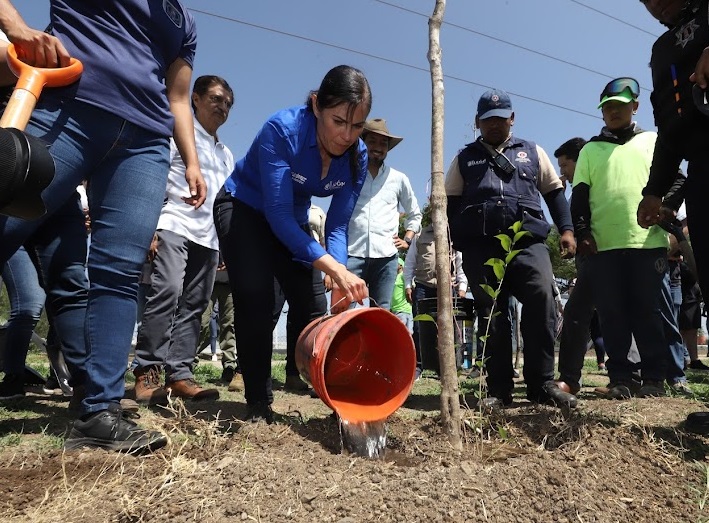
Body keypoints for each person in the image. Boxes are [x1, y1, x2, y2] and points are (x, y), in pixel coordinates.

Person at [0, 0, 205, 453]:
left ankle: (99, 413)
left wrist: (191, 160)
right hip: (67, 110)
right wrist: (15, 26)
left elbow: (177, 97)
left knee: (119, 270)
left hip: (146, 143)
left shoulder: (183, 22)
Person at [214, 65, 371, 423]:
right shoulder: (282, 130)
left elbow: (337, 223)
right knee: (256, 296)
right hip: (243, 208)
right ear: (316, 105)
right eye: (338, 122)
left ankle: (338, 399)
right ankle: (258, 402)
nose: (347, 135)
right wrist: (330, 264)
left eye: (357, 125)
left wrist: (339, 270)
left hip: (292, 218)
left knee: (313, 303)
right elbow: (278, 216)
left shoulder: (357, 157)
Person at [446, 88, 578, 409]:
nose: (495, 125)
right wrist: (454, 244)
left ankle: (541, 383)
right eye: (488, 120)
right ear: (477, 122)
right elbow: (449, 204)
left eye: (501, 119)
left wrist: (567, 229)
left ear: (512, 119)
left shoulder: (533, 152)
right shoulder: (464, 159)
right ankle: (499, 389)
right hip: (481, 248)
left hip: (527, 242)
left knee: (543, 299)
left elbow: (554, 193)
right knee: (493, 314)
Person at [571, 77, 684, 399]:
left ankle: (653, 378)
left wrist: (668, 206)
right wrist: (583, 232)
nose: (613, 112)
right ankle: (621, 377)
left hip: (647, 244)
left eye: (620, 106)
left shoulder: (653, 141)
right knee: (612, 313)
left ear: (634, 106)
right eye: (608, 108)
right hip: (603, 246)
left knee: (649, 313)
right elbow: (579, 198)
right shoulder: (591, 150)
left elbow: (678, 180)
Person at [132, 75, 234, 405]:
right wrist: (147, 229)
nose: (223, 107)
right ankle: (147, 371)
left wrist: (224, 243)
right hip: (173, 223)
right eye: (217, 99)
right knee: (167, 291)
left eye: (228, 104)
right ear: (196, 99)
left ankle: (180, 375)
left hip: (209, 238)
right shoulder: (177, 136)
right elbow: (153, 181)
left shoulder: (225, 154)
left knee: (195, 305)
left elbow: (222, 202)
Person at [637, 0, 709, 303]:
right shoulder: (662, 49)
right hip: (702, 169)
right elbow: (669, 126)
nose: (655, 3)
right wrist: (654, 190)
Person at [552, 137, 610, 394]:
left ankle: (629, 376)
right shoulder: (576, 190)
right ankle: (570, 379)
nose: (562, 172)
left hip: (606, 255)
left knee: (614, 314)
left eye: (565, 165)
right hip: (588, 261)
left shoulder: (599, 181)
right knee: (576, 314)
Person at [346, 118, 421, 310]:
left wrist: (408, 239)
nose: (378, 147)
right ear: (362, 142)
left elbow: (414, 213)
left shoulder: (398, 178)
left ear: (388, 148)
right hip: (352, 252)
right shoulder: (349, 173)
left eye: (383, 143)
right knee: (346, 310)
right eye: (372, 141)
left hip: (386, 256)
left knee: (382, 311)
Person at [403, 203, 468, 378]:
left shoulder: (453, 236)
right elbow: (410, 263)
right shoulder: (420, 236)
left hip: (448, 288)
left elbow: (460, 263)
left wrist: (462, 287)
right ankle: (419, 366)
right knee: (420, 327)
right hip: (423, 287)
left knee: (449, 329)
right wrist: (408, 285)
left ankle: (447, 368)